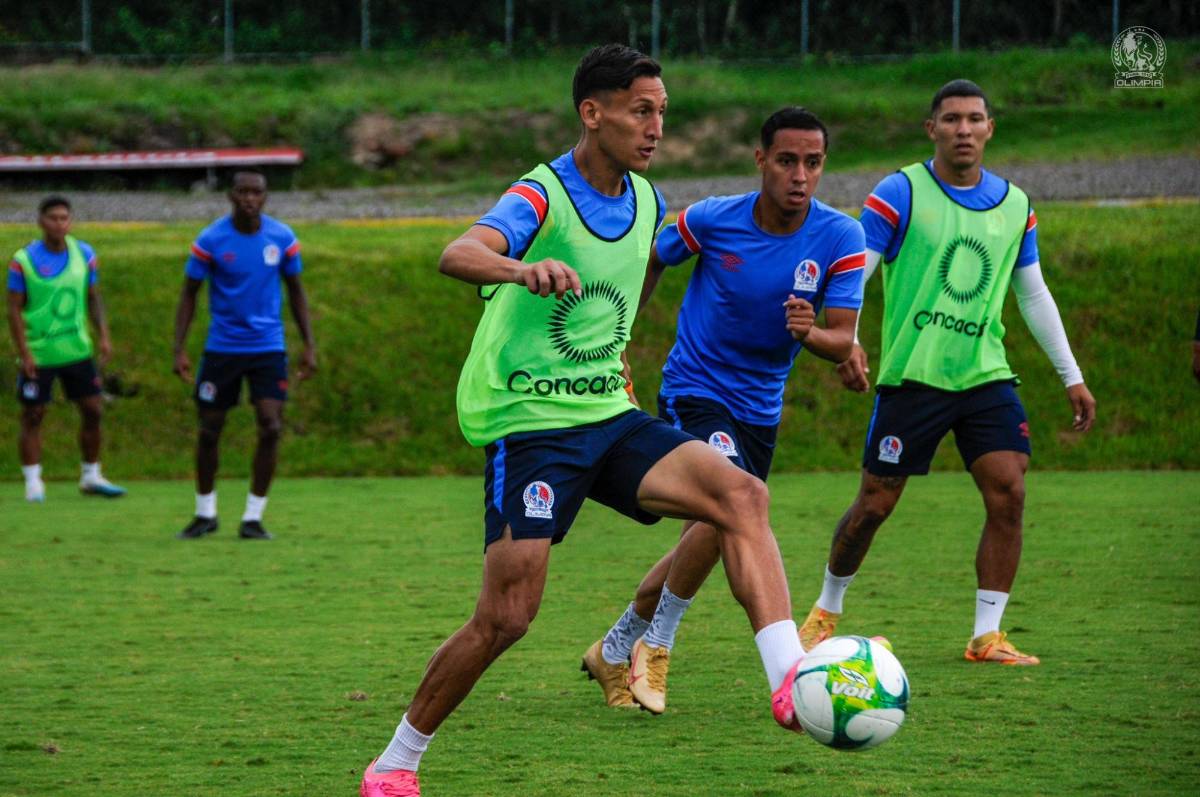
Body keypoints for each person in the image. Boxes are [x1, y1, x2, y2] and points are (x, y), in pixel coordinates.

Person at [360, 45, 808, 797]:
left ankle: (791, 679)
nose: (656, 124)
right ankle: (397, 761)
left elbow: (624, 303)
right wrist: (517, 266)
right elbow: (457, 251)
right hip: (531, 425)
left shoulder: (648, 201)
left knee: (743, 495)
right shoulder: (541, 196)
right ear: (592, 113)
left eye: (662, 110)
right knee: (507, 616)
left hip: (609, 415)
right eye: (641, 109)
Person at [797, 79, 1097, 665]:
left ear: (990, 129)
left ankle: (987, 635)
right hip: (914, 377)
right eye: (952, 119)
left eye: (975, 119)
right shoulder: (900, 191)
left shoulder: (1016, 206)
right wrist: (849, 342)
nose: (964, 129)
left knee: (1009, 491)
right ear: (931, 128)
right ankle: (824, 612)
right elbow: (859, 269)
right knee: (875, 504)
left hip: (985, 377)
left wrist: (1072, 375)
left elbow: (1033, 295)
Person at [584, 107, 865, 715]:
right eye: (786, 160)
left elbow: (843, 338)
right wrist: (618, 332)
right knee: (728, 502)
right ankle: (655, 647)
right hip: (695, 390)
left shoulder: (842, 237)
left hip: (760, 409)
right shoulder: (713, 219)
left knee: (716, 528)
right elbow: (651, 255)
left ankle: (613, 646)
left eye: (812, 163)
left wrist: (811, 334)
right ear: (761, 158)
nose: (799, 175)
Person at [172, 169, 316, 540]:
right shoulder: (211, 239)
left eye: (257, 192)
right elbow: (189, 293)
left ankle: (253, 517)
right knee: (209, 429)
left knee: (271, 425)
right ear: (230, 196)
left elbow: (296, 291)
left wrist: (309, 345)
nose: (250, 199)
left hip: (268, 347)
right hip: (222, 349)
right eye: (243, 192)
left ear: (265, 197)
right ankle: (205, 512)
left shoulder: (282, 238)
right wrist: (180, 349)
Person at [7, 196, 125, 502]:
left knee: (93, 409)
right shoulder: (24, 260)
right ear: (41, 222)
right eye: (53, 218)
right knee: (34, 413)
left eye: (64, 218)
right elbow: (14, 310)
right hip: (40, 352)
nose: (59, 223)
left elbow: (93, 296)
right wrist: (25, 352)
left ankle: (91, 476)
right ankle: (34, 482)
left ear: (70, 221)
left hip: (76, 350)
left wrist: (104, 336)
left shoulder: (84, 253)